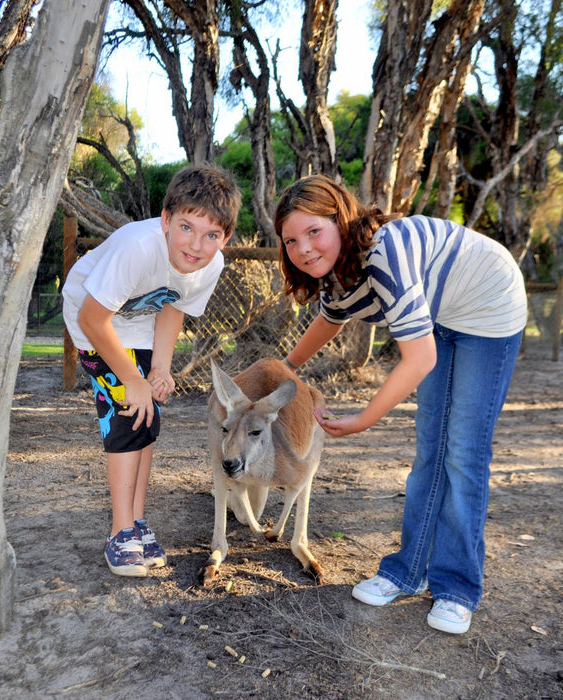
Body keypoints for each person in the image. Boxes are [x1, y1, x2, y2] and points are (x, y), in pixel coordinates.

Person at [274, 175, 526, 634]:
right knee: (432, 450)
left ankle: (456, 589)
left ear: (342, 219)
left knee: (464, 453)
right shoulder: (335, 275)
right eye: (291, 240)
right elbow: (330, 321)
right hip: (442, 314)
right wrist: (282, 367)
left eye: (314, 231)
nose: (304, 249)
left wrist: (362, 419)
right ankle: (407, 571)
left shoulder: (383, 252)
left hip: (489, 307)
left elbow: (420, 357)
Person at [63, 164, 242, 577]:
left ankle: (137, 522)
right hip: (92, 321)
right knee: (128, 414)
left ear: (226, 237)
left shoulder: (208, 266)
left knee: (148, 417)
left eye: (212, 235)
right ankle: (119, 531)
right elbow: (94, 319)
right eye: (186, 228)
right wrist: (132, 380)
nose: (196, 245)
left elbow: (172, 306)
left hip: (137, 324)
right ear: (165, 220)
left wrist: (160, 368)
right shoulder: (138, 246)